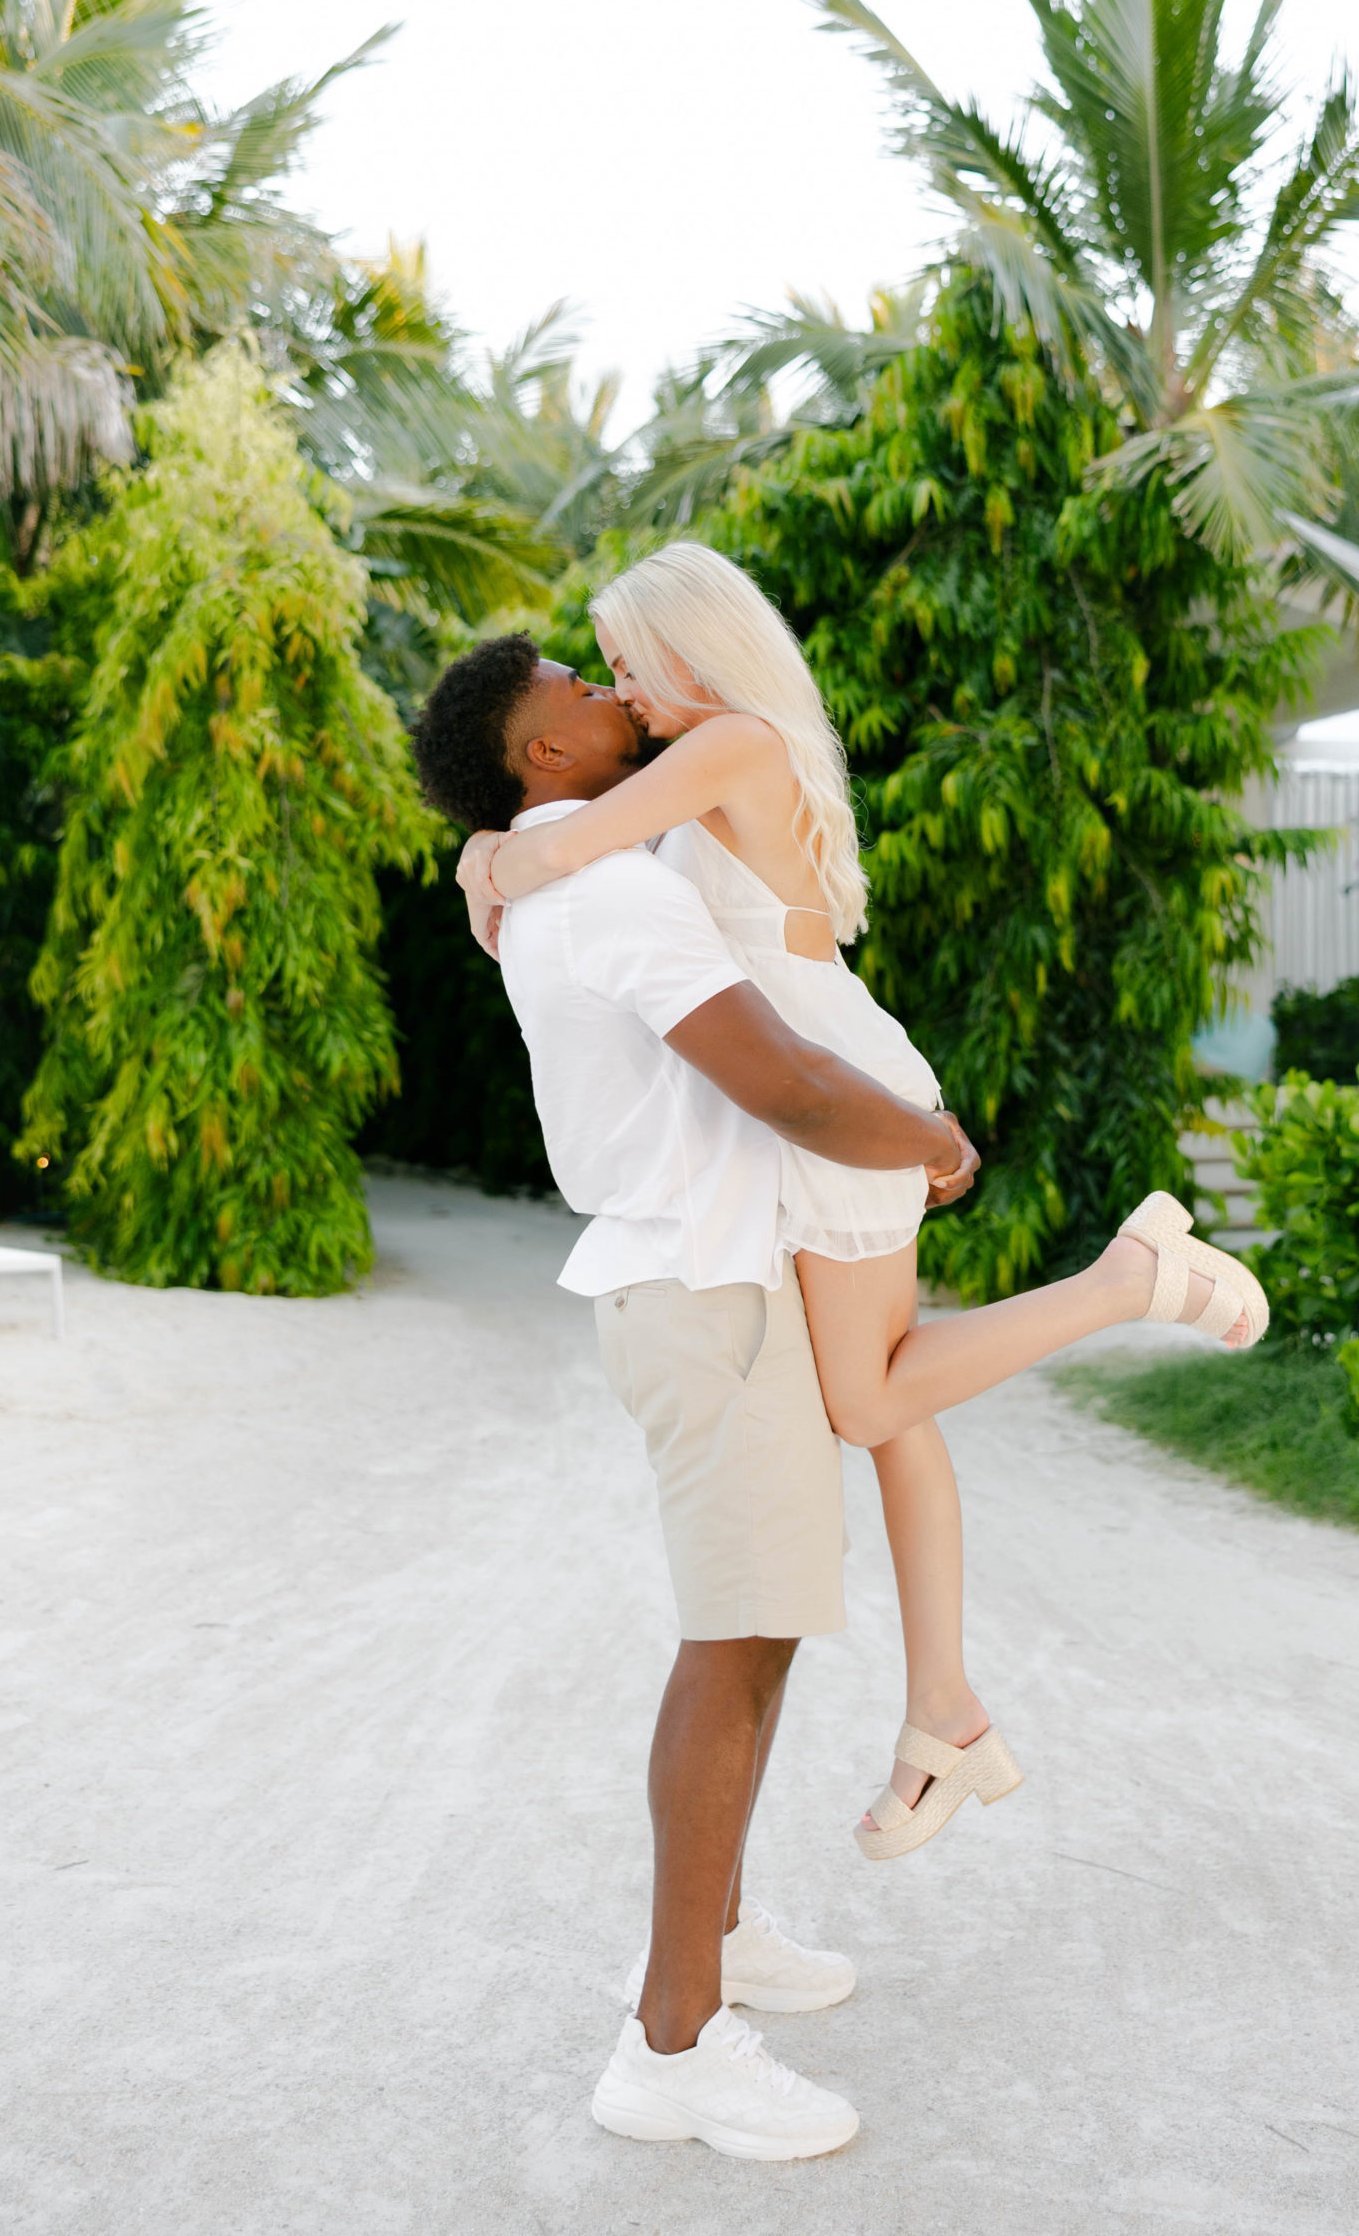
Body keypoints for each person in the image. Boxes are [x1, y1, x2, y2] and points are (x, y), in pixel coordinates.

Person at [455, 547, 1268, 1868]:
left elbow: (577, 846)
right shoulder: (711, 756)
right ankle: (942, 1714)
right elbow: (593, 842)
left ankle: (1131, 1279)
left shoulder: (727, 745)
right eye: (596, 671)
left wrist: (492, 850)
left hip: (835, 1085)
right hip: (829, 1067)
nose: (615, 689)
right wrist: (498, 846)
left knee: (870, 1398)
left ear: (691, 651)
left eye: (624, 663)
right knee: (893, 1411)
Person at [412, 633, 981, 2161]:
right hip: (708, 1297)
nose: (614, 700)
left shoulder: (557, 873)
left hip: (700, 1288)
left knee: (761, 1626)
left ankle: (715, 1940)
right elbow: (781, 1079)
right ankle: (670, 2043)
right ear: (541, 759)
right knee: (729, 1654)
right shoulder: (607, 890)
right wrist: (932, 1143)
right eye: (579, 696)